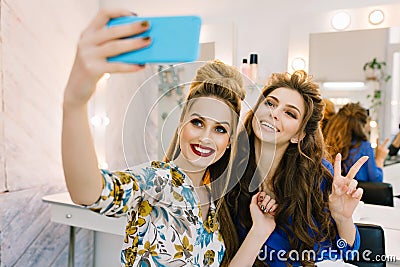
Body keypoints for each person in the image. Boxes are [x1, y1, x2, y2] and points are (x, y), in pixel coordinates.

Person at [62, 9, 273, 267]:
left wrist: (260, 231)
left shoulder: (214, 199)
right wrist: (74, 103)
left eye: (219, 129)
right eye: (198, 123)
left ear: (229, 140)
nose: (206, 138)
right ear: (182, 123)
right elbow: (90, 193)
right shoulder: (157, 182)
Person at [226, 70, 368, 267]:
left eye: (289, 113)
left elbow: (347, 251)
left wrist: (342, 218)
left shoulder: (317, 176)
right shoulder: (228, 170)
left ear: (299, 135)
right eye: (270, 103)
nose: (274, 113)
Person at [324, 102, 389, 182]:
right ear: (363, 125)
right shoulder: (365, 146)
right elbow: (376, 180)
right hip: (358, 193)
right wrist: (380, 159)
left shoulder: (329, 142)